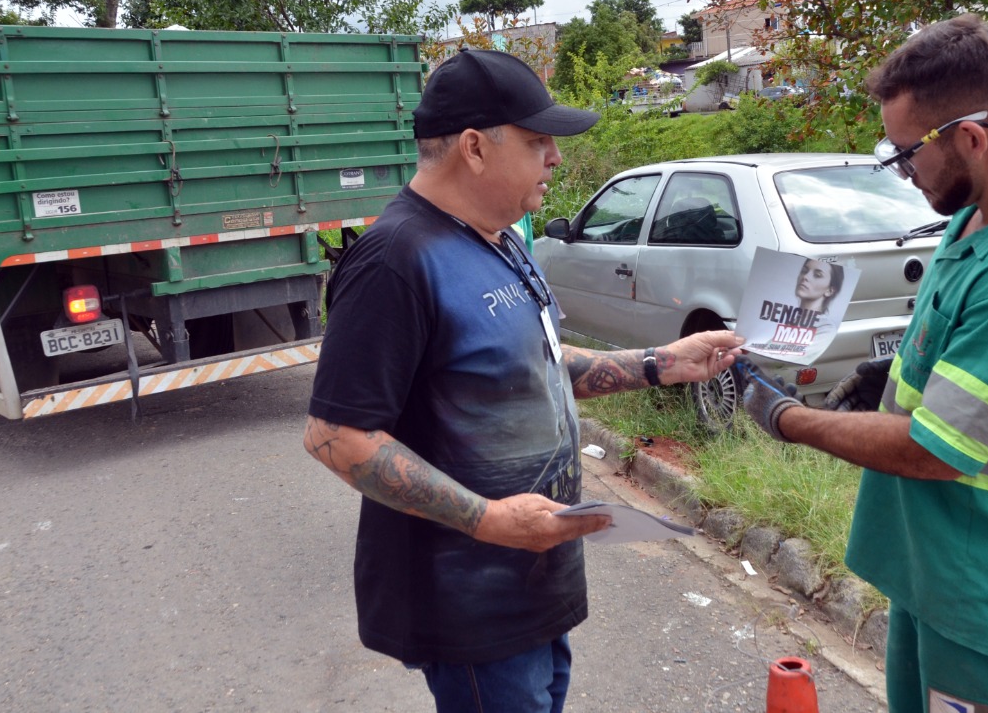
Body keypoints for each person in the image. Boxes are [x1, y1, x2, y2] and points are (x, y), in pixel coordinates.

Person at [303, 48, 744, 713]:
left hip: (537, 583)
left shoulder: (500, 238)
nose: (556, 158)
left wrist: (662, 363)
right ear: (475, 148)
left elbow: (535, 361)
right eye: (539, 141)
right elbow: (335, 435)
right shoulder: (395, 261)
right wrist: (487, 520)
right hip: (471, 609)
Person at [736, 14, 988, 713]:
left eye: (907, 154)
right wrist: (896, 375)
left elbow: (936, 449)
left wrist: (790, 419)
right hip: (933, 567)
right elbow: (953, 347)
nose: (904, 173)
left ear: (971, 136)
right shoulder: (977, 217)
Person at [794, 258, 843, 338]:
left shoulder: (825, 328)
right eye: (804, 271)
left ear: (829, 291)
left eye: (817, 275)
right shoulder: (792, 322)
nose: (805, 276)